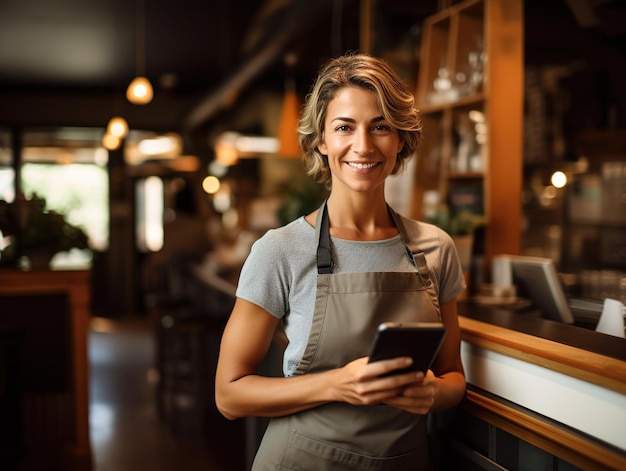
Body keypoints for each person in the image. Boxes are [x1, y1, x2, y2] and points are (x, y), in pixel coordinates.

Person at [215, 52, 466, 470]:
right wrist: (337, 384)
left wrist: (434, 394)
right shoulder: (280, 250)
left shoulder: (436, 248)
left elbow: (453, 376)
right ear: (322, 141)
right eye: (344, 127)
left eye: (380, 126)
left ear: (400, 139)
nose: (363, 146)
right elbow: (229, 396)